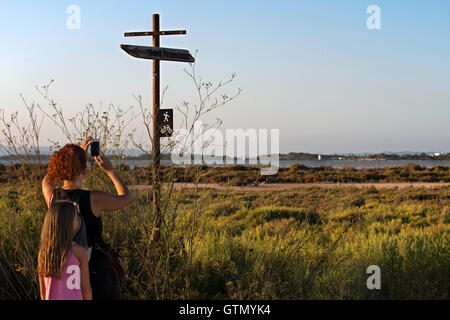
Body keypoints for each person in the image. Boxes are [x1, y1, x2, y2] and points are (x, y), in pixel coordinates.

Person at [41, 137, 134, 299]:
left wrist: (72, 157)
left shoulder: (52, 196)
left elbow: (47, 179)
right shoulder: (93, 199)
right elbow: (126, 197)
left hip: (64, 274)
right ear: (83, 171)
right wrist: (110, 170)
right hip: (96, 273)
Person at [38, 200, 92, 300]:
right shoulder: (79, 252)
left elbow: (43, 292)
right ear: (69, 223)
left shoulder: (43, 253)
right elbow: (86, 290)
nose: (78, 219)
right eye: (76, 217)